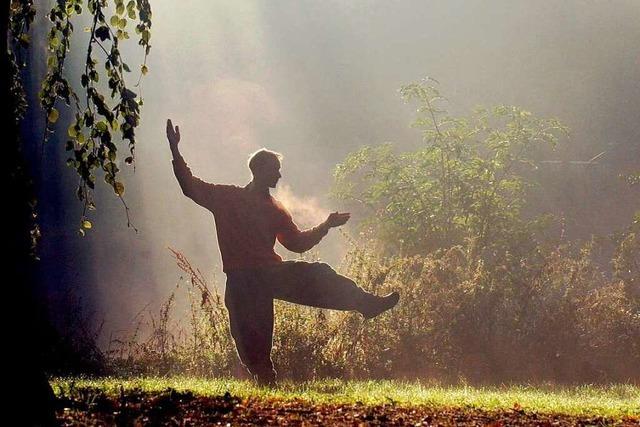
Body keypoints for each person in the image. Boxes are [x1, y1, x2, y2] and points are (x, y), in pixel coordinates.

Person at [166, 119, 399, 384]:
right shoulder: (228, 197)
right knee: (251, 337)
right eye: (275, 169)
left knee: (318, 275)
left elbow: (296, 244)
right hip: (243, 279)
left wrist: (326, 225)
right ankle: (266, 381)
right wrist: (175, 150)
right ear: (260, 170)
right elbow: (190, 186)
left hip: (267, 275)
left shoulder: (274, 208)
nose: (279, 175)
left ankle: (366, 303)